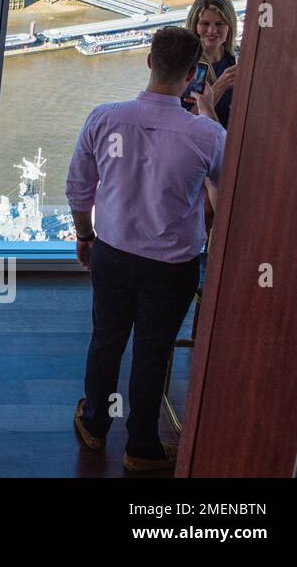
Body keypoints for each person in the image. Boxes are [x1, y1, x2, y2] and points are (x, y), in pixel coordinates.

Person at [66, 26, 225, 472]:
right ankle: (141, 446)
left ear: (149, 61)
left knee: (107, 340)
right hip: (172, 267)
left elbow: (80, 188)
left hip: (113, 253)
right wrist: (210, 112)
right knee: (153, 351)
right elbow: (229, 191)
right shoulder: (206, 136)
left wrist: (85, 237)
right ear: (193, 74)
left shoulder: (105, 117)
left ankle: (95, 423)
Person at [183, 0, 239, 128]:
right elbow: (185, 121)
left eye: (219, 24)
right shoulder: (185, 66)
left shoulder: (234, 59)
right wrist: (221, 85)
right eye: (205, 24)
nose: (212, 31)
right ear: (195, 26)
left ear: (229, 26)